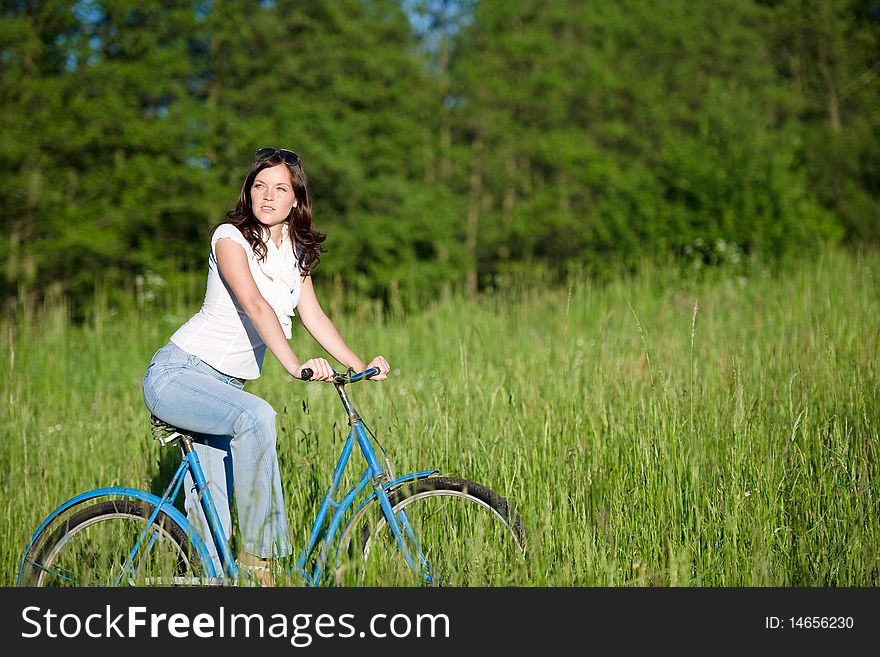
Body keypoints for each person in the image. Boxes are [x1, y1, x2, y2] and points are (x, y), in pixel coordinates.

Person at [142, 147, 389, 585]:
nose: (268, 196)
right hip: (179, 375)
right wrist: (294, 366)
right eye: (260, 186)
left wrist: (358, 364)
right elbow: (255, 306)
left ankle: (208, 591)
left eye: (280, 188)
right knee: (257, 414)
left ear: (296, 199)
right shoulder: (228, 238)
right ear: (248, 191)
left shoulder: (295, 253)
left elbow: (313, 316)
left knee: (212, 525)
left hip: (224, 388)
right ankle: (263, 559)